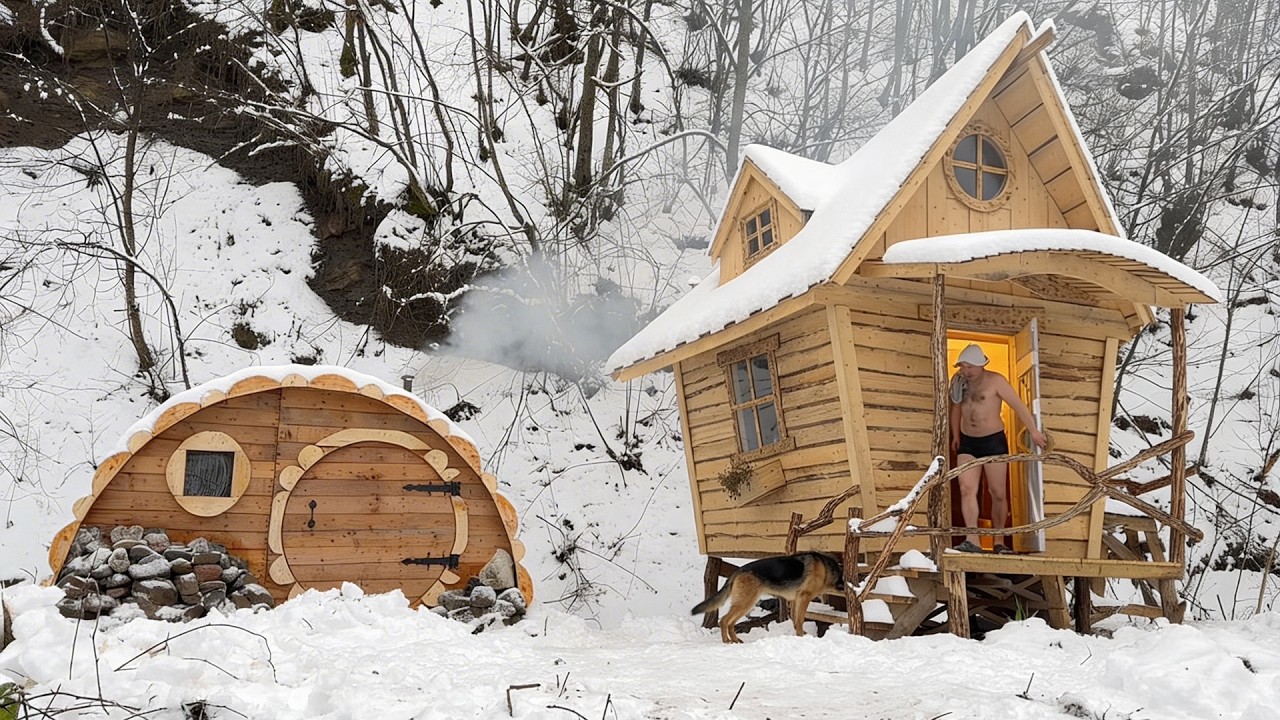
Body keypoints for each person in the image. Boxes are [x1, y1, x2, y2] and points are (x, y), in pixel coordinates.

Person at [949, 343, 1046, 554]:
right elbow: (956, 408)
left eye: (968, 367)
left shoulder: (996, 381)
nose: (965, 371)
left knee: (998, 492)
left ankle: (999, 540)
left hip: (993, 441)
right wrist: (956, 434)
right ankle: (971, 539)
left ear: (980, 366)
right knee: (967, 489)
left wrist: (1034, 431)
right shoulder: (958, 382)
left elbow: (1019, 405)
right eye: (962, 366)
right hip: (968, 442)